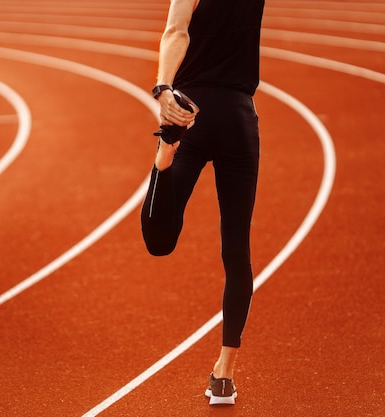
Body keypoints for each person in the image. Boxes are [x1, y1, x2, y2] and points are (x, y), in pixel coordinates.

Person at [140, 0, 265, 406]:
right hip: (240, 119)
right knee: (236, 249)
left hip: (189, 113)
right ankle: (224, 374)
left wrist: (162, 89)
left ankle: (164, 154)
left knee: (159, 240)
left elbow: (176, 30)